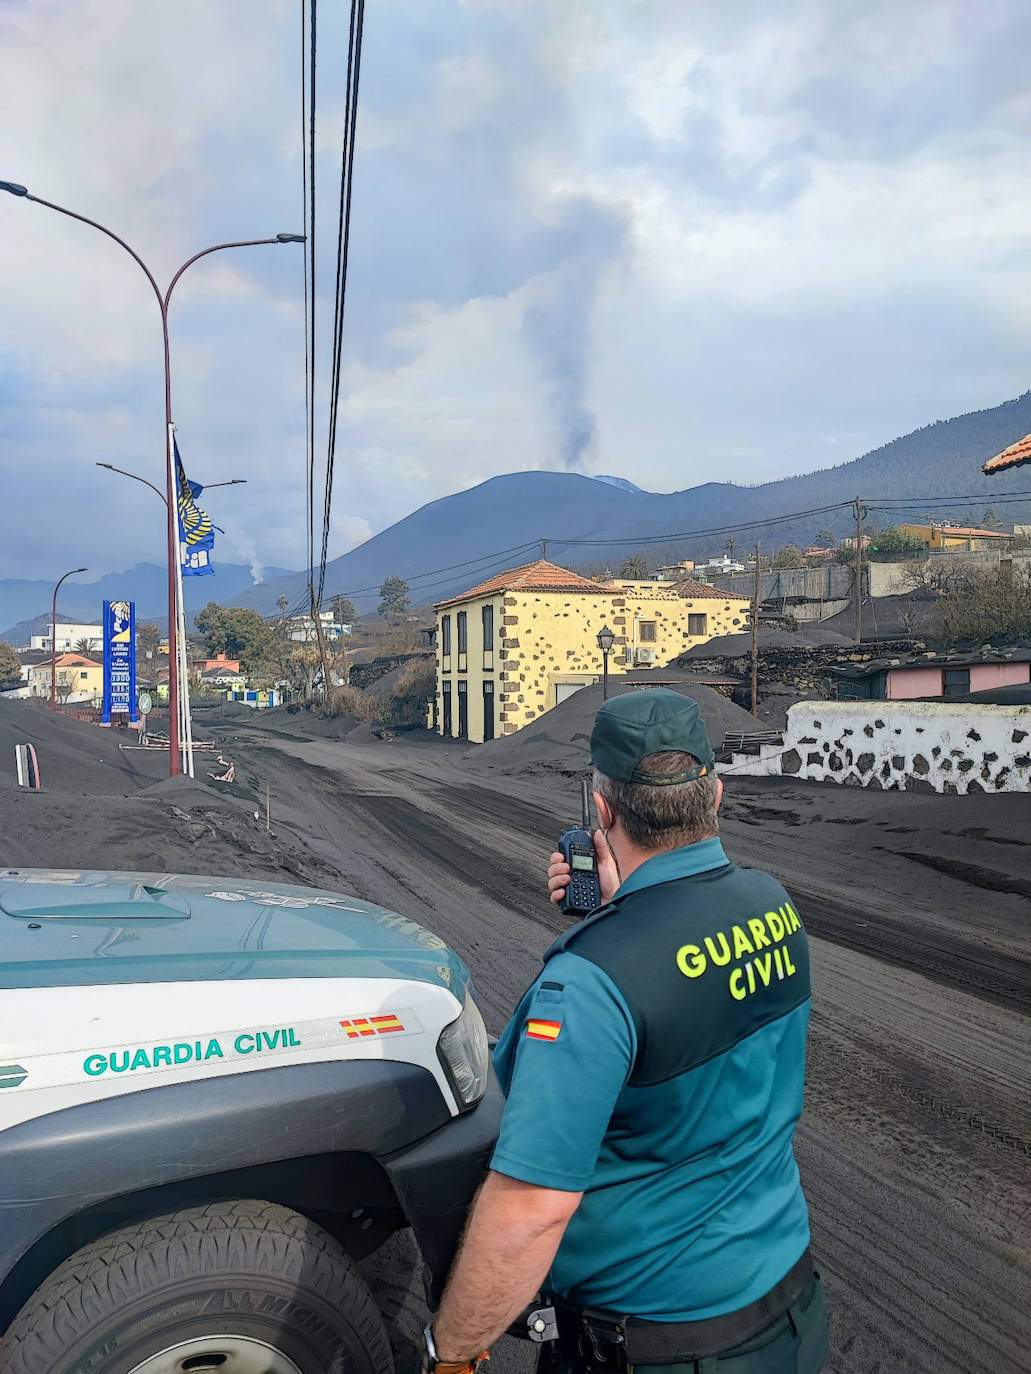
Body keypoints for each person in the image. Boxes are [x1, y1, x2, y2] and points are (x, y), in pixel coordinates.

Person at [422, 688, 828, 1374]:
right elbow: (683, 974)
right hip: (788, 1310)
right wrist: (620, 913)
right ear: (716, 795)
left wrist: (452, 1356)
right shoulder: (770, 904)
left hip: (656, 1347)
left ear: (602, 810)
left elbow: (532, 1209)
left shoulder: (586, 985)